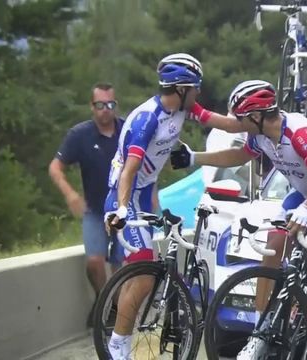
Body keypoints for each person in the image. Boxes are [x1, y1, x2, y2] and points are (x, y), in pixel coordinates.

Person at [172, 80, 307, 360]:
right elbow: (238, 155)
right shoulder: (259, 135)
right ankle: (258, 333)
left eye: (240, 117)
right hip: (303, 192)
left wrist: (306, 209)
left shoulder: (300, 133)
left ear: (257, 116)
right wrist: (195, 157)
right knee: (273, 245)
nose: (237, 122)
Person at [103, 53, 245, 360]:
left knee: (138, 275)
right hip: (124, 196)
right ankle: (118, 345)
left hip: (144, 195)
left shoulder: (186, 108)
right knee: (142, 277)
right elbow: (129, 171)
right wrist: (123, 209)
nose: (198, 93)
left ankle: (118, 343)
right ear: (181, 88)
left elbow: (226, 124)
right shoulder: (148, 119)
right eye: (195, 87)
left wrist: (259, 122)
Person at [49, 82, 125, 327]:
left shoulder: (127, 131)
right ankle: (103, 300)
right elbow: (55, 168)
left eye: (110, 104)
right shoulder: (79, 135)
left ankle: (113, 309)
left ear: (116, 106)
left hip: (123, 209)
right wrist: (70, 194)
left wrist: (151, 193)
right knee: (94, 261)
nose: (106, 109)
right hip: (94, 210)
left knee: (120, 264)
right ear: (92, 107)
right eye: (100, 105)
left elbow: (146, 164)